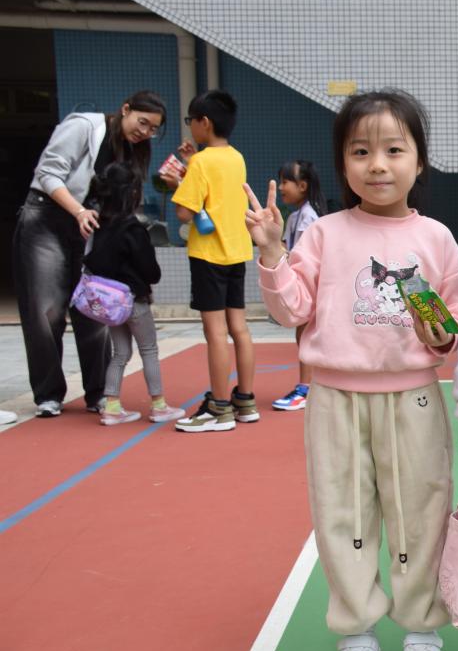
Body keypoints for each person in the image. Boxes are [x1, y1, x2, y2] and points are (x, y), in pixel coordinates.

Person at [248, 89, 458, 651]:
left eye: (394, 150)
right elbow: (291, 310)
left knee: (421, 512)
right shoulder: (324, 234)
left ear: (419, 161)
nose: (378, 165)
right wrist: (272, 252)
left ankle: (422, 633)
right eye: (361, 151)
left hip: (414, 398)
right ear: (342, 162)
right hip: (335, 398)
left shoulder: (436, 238)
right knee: (342, 513)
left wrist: (439, 334)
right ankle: (357, 637)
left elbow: (451, 325)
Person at [13, 90, 167, 418]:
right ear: (125, 109)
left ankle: (99, 393)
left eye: (153, 129)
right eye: (142, 122)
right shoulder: (84, 126)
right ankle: (49, 395)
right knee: (46, 309)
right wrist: (78, 211)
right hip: (47, 218)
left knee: (96, 304)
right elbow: (47, 173)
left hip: (91, 225)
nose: (145, 132)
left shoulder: (133, 150)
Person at [170, 90, 257, 431]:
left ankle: (219, 407)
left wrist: (178, 179)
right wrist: (191, 165)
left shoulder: (201, 163)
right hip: (236, 251)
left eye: (191, 120)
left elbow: (183, 212)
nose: (190, 126)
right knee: (240, 328)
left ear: (204, 122)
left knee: (215, 332)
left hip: (208, 254)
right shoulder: (236, 158)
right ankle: (244, 400)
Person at [82, 163, 186, 426]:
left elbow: (92, 261)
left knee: (120, 353)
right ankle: (159, 405)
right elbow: (151, 272)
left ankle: (112, 407)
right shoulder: (133, 229)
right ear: (132, 193)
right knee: (148, 349)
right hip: (135, 300)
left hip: (110, 304)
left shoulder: (98, 225)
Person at [271, 160, 326, 411]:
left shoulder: (309, 217)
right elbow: (287, 248)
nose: (281, 187)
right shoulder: (295, 216)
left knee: (305, 334)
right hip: (301, 284)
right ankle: (309, 385)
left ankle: (307, 388)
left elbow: (305, 255)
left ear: (302, 186)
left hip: (310, 285)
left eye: (286, 182)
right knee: (302, 334)